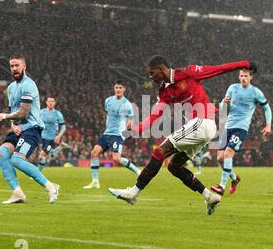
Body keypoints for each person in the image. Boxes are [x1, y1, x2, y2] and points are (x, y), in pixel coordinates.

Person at [108, 55, 256, 215]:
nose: (150, 77)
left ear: (161, 69)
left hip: (202, 122)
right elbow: (155, 114)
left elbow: (220, 68)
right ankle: (209, 196)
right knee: (174, 166)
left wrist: (245, 64)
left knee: (160, 151)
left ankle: (134, 192)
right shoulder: (164, 91)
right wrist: (137, 129)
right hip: (200, 128)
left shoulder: (190, 72)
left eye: (152, 73)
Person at [0, 55, 60, 204]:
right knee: (2, 153)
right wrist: (13, 125)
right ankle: (17, 193)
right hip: (19, 130)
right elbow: (14, 111)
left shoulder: (29, 85)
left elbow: (24, 112)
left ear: (24, 67)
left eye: (17, 65)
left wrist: (6, 117)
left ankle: (51, 187)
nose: (14, 69)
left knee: (17, 160)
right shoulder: (11, 88)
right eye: (11, 66)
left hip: (32, 129)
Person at [211, 68, 272, 196]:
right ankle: (234, 179)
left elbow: (266, 108)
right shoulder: (232, 88)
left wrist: (268, 125)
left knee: (228, 154)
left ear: (251, 77)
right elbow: (223, 109)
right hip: (227, 126)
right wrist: (224, 104)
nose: (243, 78)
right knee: (220, 158)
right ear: (239, 77)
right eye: (241, 75)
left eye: (246, 76)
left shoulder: (256, 92)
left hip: (241, 128)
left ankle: (221, 186)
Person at [83, 80, 140, 189]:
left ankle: (137, 170)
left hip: (117, 135)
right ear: (114, 89)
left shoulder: (127, 104)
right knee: (94, 153)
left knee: (116, 159)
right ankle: (95, 182)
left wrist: (129, 126)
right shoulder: (108, 101)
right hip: (107, 133)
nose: (118, 89)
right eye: (116, 87)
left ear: (124, 89)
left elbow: (131, 119)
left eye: (120, 88)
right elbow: (108, 114)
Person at [38, 97, 70, 171]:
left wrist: (59, 136)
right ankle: (60, 147)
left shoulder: (58, 114)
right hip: (42, 137)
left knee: (42, 155)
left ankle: (38, 173)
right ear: (46, 102)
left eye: (52, 101)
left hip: (52, 138)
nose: (50, 103)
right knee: (51, 155)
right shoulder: (41, 112)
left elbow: (64, 126)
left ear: (54, 103)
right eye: (49, 101)